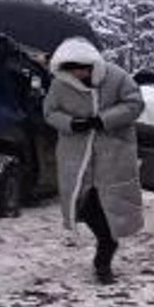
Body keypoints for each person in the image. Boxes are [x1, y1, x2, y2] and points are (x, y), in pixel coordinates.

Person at [43, 37, 144, 284]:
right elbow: (49, 112)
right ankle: (106, 241)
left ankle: (103, 261)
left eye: (83, 68)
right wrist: (71, 124)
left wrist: (104, 119)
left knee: (112, 204)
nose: (79, 74)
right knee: (83, 203)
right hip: (76, 156)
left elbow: (135, 103)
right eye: (73, 70)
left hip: (113, 154)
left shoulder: (117, 77)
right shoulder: (60, 85)